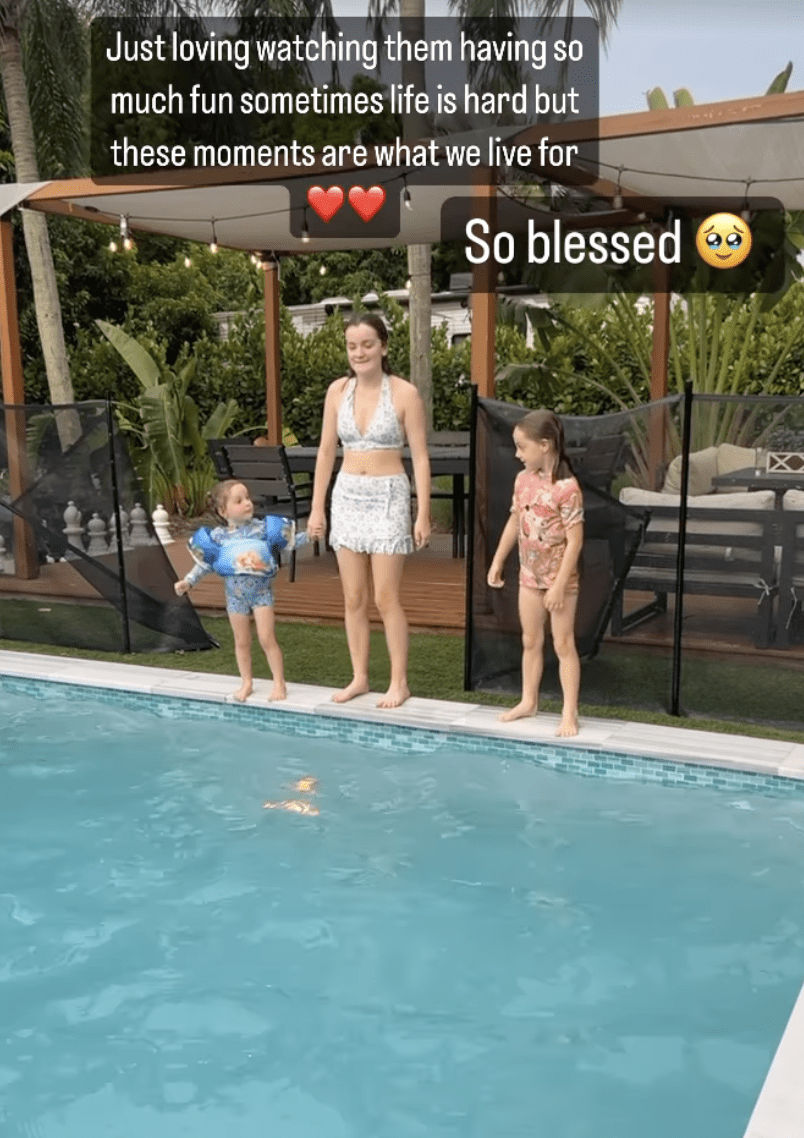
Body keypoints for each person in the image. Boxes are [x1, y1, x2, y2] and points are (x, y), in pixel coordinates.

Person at [306, 313, 431, 709]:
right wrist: (316, 509)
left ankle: (399, 682)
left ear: (384, 346)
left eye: (367, 344)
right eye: (352, 346)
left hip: (389, 496)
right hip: (347, 496)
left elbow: (422, 457)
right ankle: (359, 676)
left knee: (385, 597)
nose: (359, 352)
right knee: (353, 597)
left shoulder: (406, 394)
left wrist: (422, 511)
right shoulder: (336, 392)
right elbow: (326, 451)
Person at [487, 410, 584, 737]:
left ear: (545, 445)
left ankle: (570, 713)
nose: (517, 454)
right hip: (529, 576)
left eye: (521, 447)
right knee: (530, 640)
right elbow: (515, 521)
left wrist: (558, 587)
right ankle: (529, 700)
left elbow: (575, 542)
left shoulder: (567, 489)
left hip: (560, 581)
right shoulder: (523, 481)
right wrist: (499, 559)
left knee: (564, 644)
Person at [174, 480, 307, 703]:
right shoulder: (217, 537)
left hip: (261, 594)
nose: (247, 503)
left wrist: (311, 535)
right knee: (242, 641)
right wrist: (188, 581)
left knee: (267, 638)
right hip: (235, 597)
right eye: (238, 501)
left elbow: (290, 543)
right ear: (223, 511)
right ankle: (246, 682)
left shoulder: (262, 529)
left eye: (247, 498)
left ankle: (279, 683)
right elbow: (205, 564)